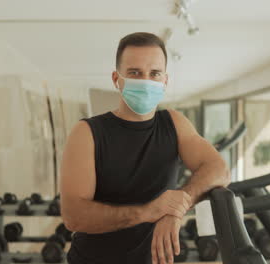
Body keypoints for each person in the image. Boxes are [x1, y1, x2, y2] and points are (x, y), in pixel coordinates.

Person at [60, 32, 230, 264]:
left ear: (165, 81)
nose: (146, 81)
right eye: (135, 73)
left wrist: (178, 206)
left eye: (154, 74)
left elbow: (218, 168)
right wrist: (146, 212)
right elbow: (74, 216)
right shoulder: (88, 132)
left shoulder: (174, 123)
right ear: (116, 79)